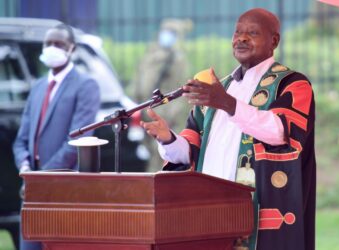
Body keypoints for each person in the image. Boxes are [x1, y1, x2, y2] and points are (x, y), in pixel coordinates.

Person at [141, 8, 316, 250]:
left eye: (252, 33)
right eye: (237, 32)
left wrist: (226, 103)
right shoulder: (220, 87)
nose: (241, 38)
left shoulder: (291, 84)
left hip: (256, 213)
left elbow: (279, 132)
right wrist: (168, 139)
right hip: (211, 212)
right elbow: (191, 153)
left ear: (274, 40)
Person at [12, 24, 100, 250]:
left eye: (59, 44)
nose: (52, 48)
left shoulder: (85, 86)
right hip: (32, 191)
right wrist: (24, 165)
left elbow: (77, 142)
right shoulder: (38, 87)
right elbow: (22, 139)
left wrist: (40, 178)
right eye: (48, 44)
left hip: (63, 188)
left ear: (72, 49)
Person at [131, 18, 193, 171]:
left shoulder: (177, 59)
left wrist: (171, 116)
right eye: (166, 31)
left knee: (161, 157)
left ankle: (157, 187)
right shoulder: (150, 54)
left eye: (172, 33)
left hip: (164, 115)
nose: (167, 35)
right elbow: (139, 82)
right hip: (145, 111)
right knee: (150, 153)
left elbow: (181, 89)